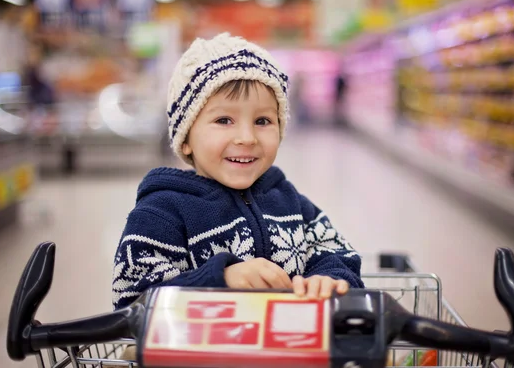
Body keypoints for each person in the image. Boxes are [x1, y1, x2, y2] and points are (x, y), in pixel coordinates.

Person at [111, 33, 363, 311]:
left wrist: (328, 278)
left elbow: (335, 250)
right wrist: (220, 279)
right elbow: (132, 299)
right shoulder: (161, 212)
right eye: (224, 120)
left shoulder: (289, 200)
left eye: (263, 121)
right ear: (185, 137)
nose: (247, 137)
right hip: (198, 353)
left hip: (286, 346)